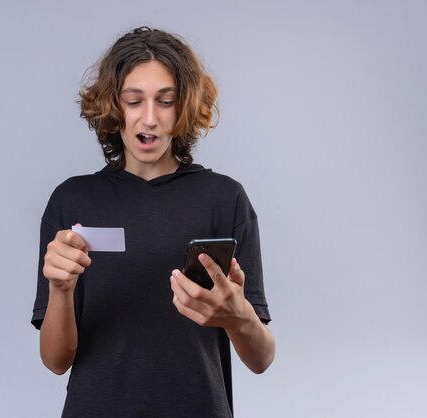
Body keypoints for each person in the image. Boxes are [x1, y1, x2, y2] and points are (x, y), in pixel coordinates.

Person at [31, 27, 275, 417]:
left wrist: (239, 317)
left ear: (184, 108)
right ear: (114, 106)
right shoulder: (71, 201)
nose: (149, 118)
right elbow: (56, 361)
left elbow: (261, 358)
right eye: (133, 100)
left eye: (166, 101)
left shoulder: (224, 199)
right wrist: (60, 289)